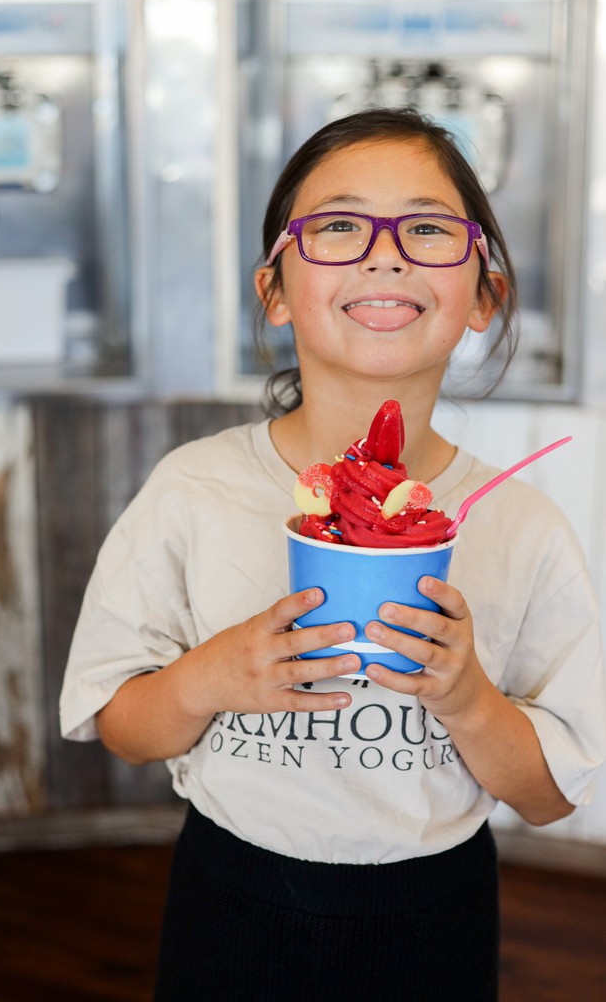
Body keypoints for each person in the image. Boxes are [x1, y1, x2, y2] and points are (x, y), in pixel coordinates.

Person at [60, 108, 606, 1000]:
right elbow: (120, 727)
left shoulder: (521, 527)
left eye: (427, 228)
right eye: (339, 226)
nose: (383, 254)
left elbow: (549, 794)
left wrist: (468, 699)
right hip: (231, 901)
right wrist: (207, 679)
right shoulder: (195, 490)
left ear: (483, 297)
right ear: (274, 292)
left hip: (435, 915)